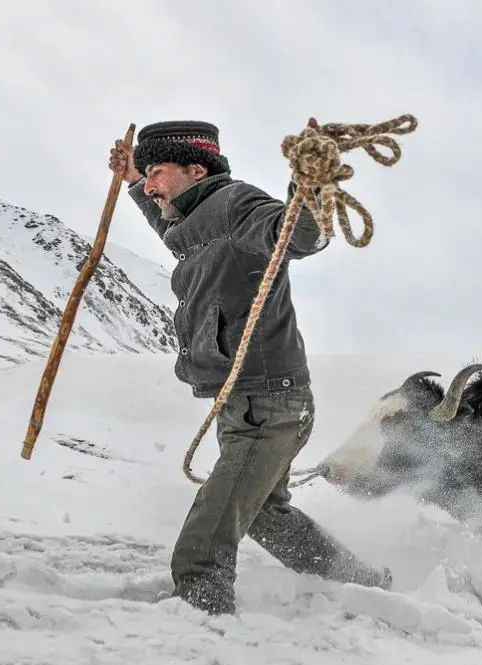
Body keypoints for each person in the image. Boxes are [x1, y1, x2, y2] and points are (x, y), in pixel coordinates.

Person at [109, 121, 388, 614]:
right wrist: (134, 181)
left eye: (158, 172)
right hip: (242, 398)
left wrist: (311, 186)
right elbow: (171, 230)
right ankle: (360, 582)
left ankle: (200, 609)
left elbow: (297, 235)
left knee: (215, 521)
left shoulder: (236, 205)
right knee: (263, 514)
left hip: (270, 401)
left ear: (197, 169)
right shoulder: (190, 222)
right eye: (147, 175)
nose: (152, 187)